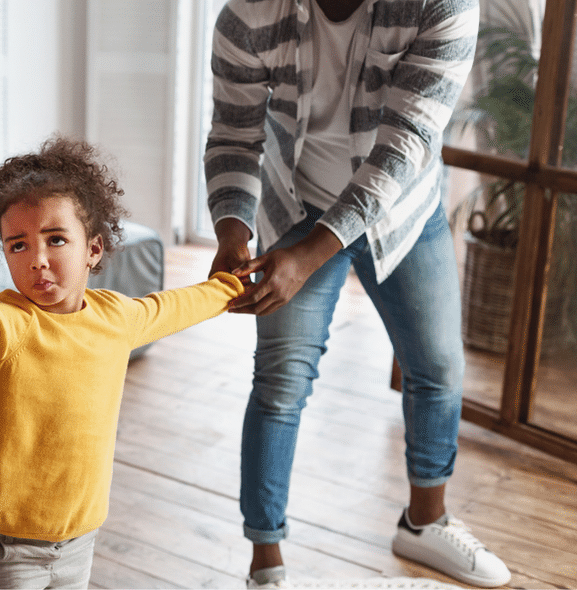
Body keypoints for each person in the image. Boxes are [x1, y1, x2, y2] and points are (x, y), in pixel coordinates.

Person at [203, 0, 512, 588]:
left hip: (402, 208)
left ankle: (425, 524)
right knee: (279, 384)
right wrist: (232, 230)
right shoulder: (246, 16)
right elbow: (234, 135)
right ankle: (265, 563)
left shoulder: (441, 6)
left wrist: (309, 256)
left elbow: (404, 146)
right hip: (295, 203)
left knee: (438, 368)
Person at [0, 136, 242, 589]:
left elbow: (177, 306)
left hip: (80, 540)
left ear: (92, 249)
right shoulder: (9, 323)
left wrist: (233, 287)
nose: (39, 261)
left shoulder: (117, 318)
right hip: (11, 549)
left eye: (55, 239)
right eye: (18, 246)